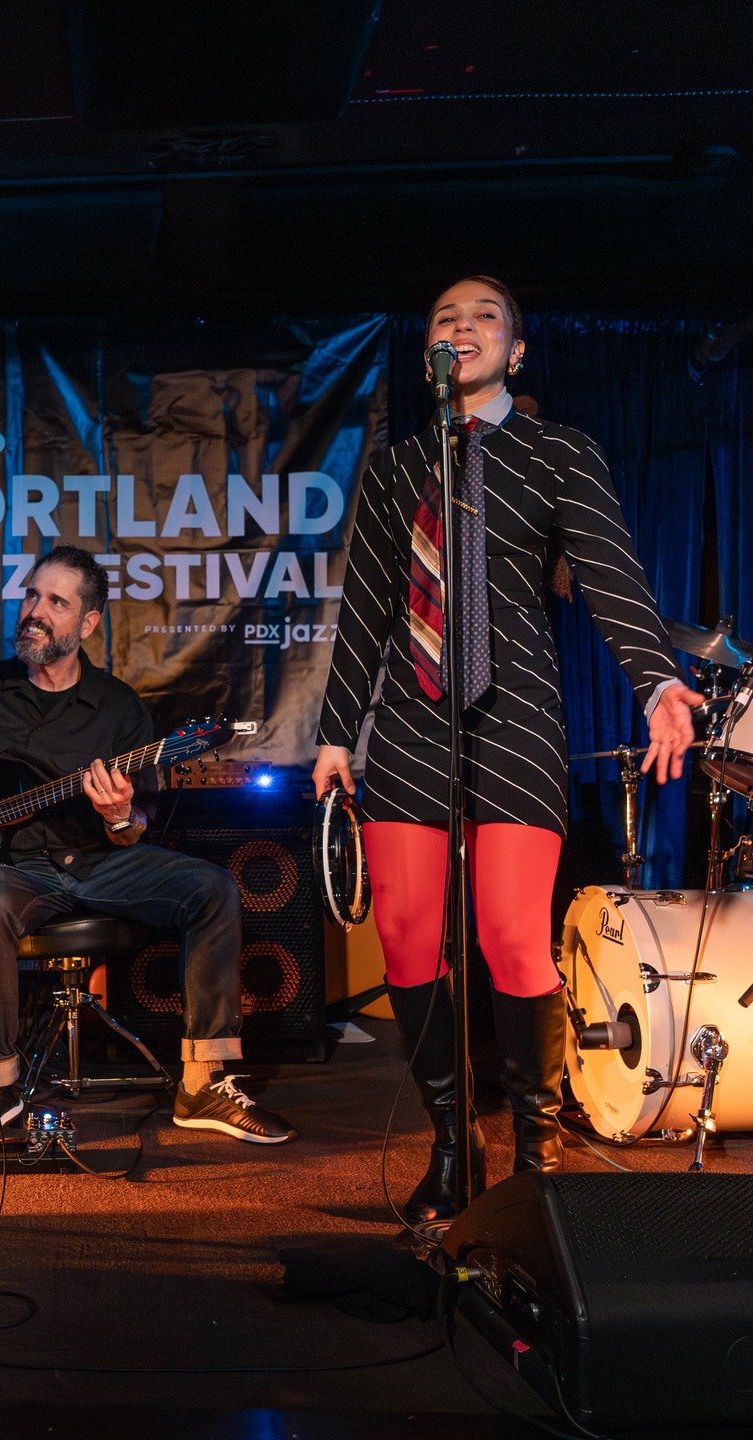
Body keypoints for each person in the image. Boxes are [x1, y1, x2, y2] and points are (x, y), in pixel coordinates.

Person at [312, 276, 700, 1224]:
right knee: (407, 939)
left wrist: (655, 681)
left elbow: (611, 575)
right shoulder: (402, 468)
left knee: (510, 936)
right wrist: (334, 732)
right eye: (446, 319)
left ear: (515, 354)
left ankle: (534, 1139)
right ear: (429, 354)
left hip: (515, 712)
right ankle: (454, 1141)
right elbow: (366, 607)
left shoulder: (558, 454)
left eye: (484, 317)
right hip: (409, 718)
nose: (463, 328)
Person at [0, 544, 296, 1145]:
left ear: (86, 624)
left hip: (102, 862)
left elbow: (135, 827)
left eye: (55, 602)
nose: (35, 610)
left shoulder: (118, 710)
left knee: (211, 887)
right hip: (14, 868)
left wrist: (117, 816)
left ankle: (203, 1083)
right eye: (32, 595)